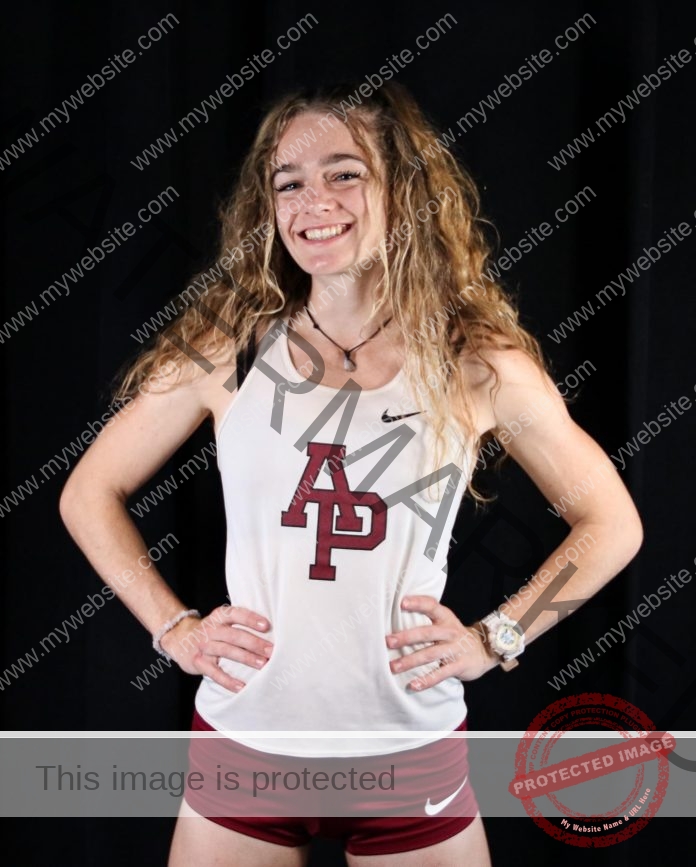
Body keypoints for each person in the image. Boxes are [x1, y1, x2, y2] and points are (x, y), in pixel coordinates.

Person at [59, 82, 643, 866]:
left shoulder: (474, 363)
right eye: (288, 181)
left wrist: (495, 637)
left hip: (408, 751)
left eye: (344, 173)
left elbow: (613, 524)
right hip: (248, 748)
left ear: (403, 191)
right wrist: (174, 627)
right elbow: (87, 491)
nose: (312, 201)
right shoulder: (229, 349)